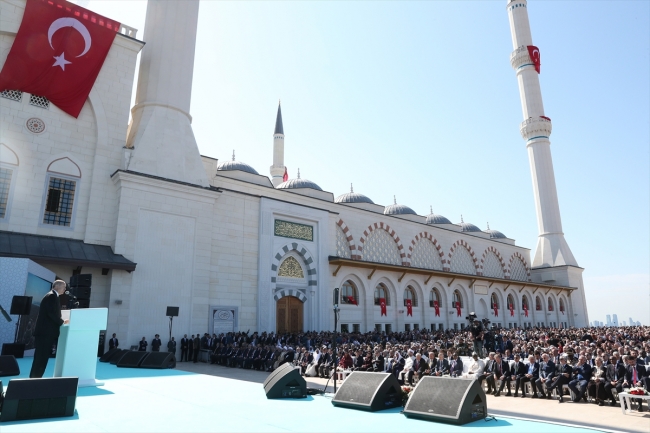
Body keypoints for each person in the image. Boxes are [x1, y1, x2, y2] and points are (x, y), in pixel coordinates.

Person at [29, 280, 69, 378]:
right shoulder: (51, 296)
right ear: (57, 286)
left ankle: (35, 379)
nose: (65, 289)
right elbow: (51, 313)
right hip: (45, 333)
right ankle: (34, 380)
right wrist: (62, 322)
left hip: (47, 333)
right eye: (64, 287)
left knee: (43, 358)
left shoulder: (53, 296)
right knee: (40, 358)